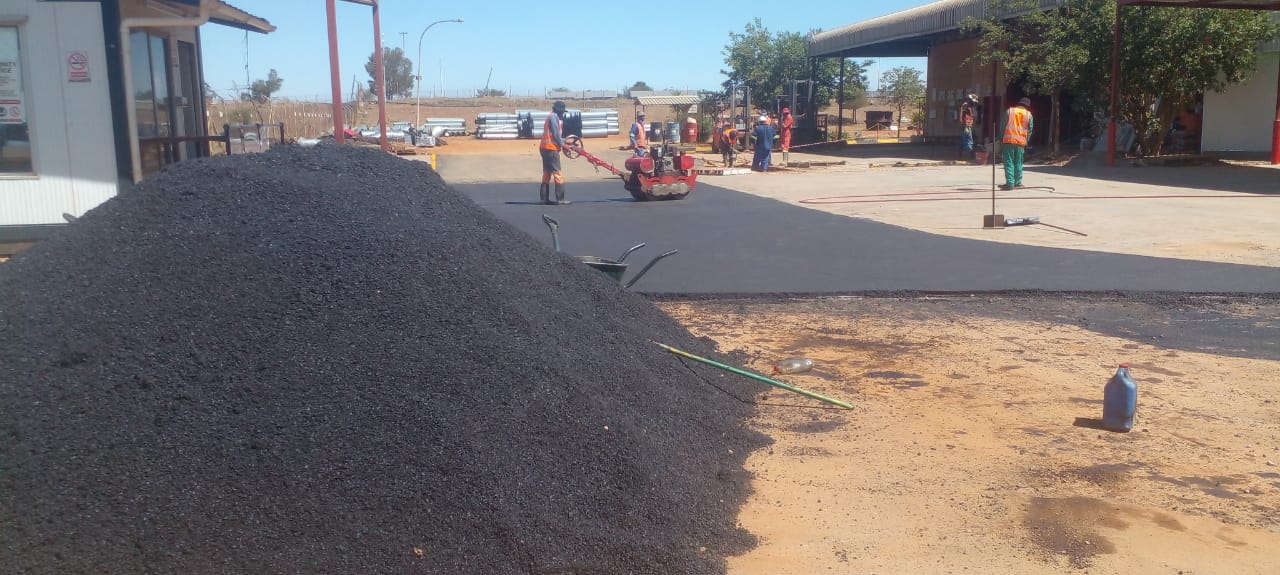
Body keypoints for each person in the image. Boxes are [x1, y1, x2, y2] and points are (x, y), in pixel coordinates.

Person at [539, 100, 570, 205]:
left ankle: (544, 199)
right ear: (559, 111)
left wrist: (564, 142)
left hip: (544, 147)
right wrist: (563, 145)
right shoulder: (554, 117)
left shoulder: (549, 116)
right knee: (557, 172)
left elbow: (555, 136)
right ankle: (560, 199)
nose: (562, 114)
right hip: (551, 149)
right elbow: (556, 134)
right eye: (562, 112)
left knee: (547, 173)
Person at [1000, 97, 1033, 190]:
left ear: (1019, 103)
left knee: (1009, 161)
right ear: (1027, 106)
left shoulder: (1009, 111)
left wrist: (1000, 138)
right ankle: (1018, 182)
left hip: (1008, 141)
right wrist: (1026, 141)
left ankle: (1010, 183)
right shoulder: (1029, 115)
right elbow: (1030, 130)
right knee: (1018, 162)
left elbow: (1002, 126)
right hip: (1021, 142)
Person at [959, 94, 979, 162]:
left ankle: (967, 155)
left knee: (968, 140)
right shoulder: (966, 105)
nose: (974, 104)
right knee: (968, 140)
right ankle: (967, 155)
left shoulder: (969, 106)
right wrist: (966, 126)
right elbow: (966, 115)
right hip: (966, 126)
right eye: (973, 102)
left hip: (969, 125)